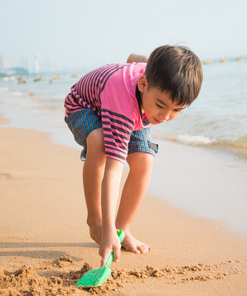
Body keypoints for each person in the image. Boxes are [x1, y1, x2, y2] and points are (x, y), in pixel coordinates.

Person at [64, 45, 203, 267]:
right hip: (84, 106)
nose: (166, 116)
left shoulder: (153, 74)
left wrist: (115, 230)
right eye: (161, 105)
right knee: (99, 143)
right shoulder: (123, 105)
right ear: (143, 83)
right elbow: (113, 170)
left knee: (144, 160)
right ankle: (96, 221)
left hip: (136, 109)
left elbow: (132, 57)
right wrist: (105, 229)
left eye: (177, 109)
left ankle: (122, 229)